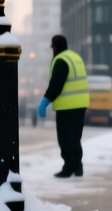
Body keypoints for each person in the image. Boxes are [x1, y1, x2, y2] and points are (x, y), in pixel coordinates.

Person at [35, 34, 88, 177]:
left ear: (55, 47)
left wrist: (45, 100)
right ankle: (77, 166)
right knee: (75, 138)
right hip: (81, 104)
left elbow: (56, 84)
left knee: (65, 138)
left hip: (67, 106)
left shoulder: (61, 60)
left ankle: (69, 168)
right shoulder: (75, 57)